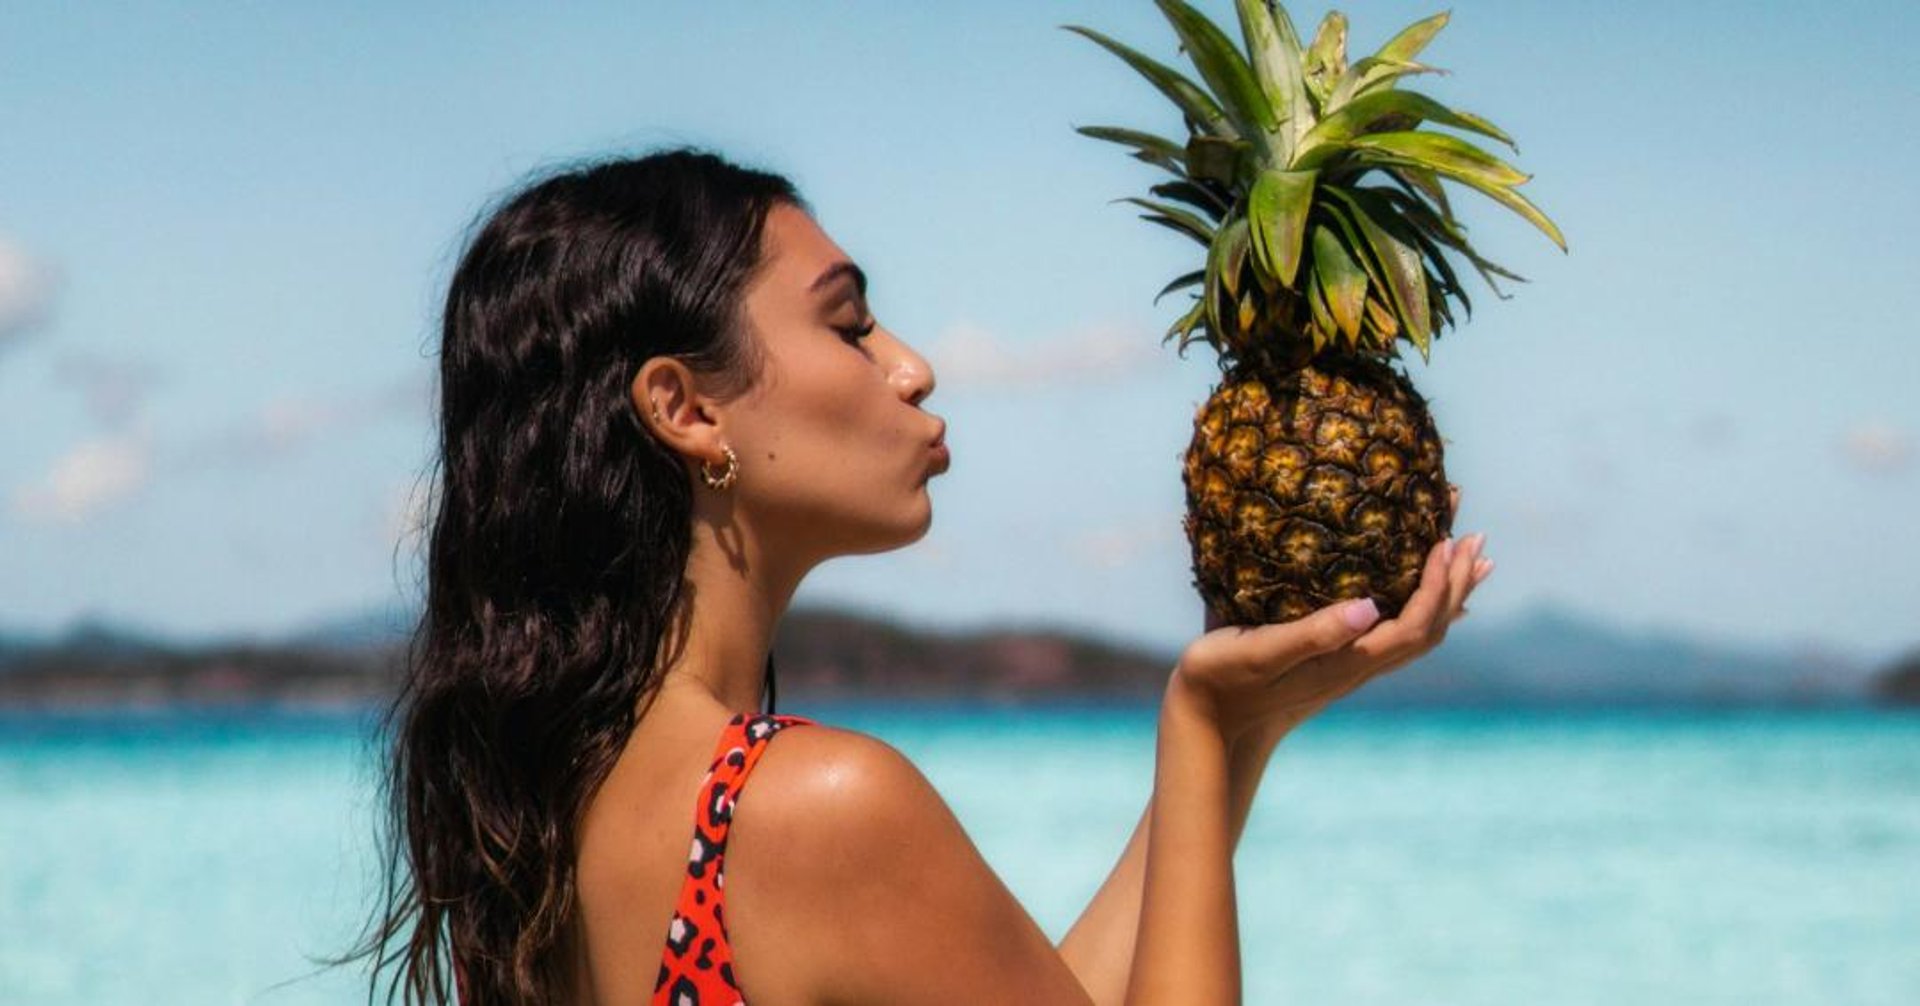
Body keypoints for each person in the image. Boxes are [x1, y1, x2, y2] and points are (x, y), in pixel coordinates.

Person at [344, 148, 1492, 1006]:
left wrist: (1236, 735)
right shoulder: (807, 811)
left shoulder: (550, 814)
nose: (911, 366)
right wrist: (1199, 722)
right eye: (849, 326)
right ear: (684, 409)